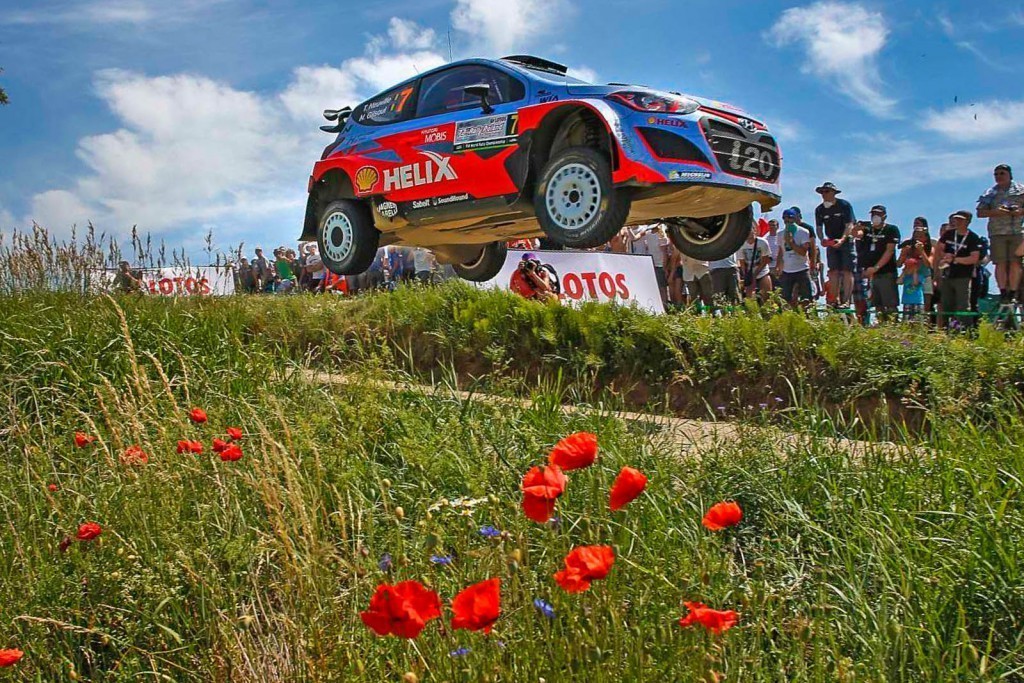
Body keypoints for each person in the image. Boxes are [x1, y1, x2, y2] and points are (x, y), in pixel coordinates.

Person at [976, 164, 1024, 303]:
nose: (999, 176)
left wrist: (1020, 211)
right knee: (1000, 262)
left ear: (1009, 174)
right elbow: (980, 212)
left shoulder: (1021, 190)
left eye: (1002, 173)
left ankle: (1013, 292)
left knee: (1015, 262)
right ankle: (1003, 292)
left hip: (1017, 231)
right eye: (996, 174)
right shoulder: (990, 193)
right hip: (997, 232)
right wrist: (996, 212)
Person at [814, 182, 857, 307]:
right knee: (833, 271)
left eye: (827, 191)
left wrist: (842, 239)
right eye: (822, 192)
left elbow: (849, 225)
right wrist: (822, 239)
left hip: (846, 241)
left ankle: (846, 301)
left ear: (833, 193)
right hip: (831, 241)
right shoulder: (819, 209)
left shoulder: (844, 205)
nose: (824, 194)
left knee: (847, 271)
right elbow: (819, 227)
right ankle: (834, 300)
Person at [937, 210, 983, 330]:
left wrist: (955, 259)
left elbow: (974, 258)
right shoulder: (948, 234)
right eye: (956, 219)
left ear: (968, 222)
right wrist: (945, 256)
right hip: (947, 274)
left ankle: (965, 330)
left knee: (963, 304)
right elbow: (939, 248)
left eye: (960, 220)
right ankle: (946, 329)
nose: (956, 222)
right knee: (946, 303)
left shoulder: (973, 238)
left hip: (963, 276)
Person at [859, 205, 901, 321]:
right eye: (873, 214)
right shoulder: (867, 229)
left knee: (890, 304)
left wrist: (876, 267)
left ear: (884, 216)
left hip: (886, 272)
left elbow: (890, 250)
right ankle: (881, 325)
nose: (875, 216)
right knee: (877, 304)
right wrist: (857, 227)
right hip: (871, 273)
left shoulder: (891, 229)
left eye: (878, 214)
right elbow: (855, 234)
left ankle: (893, 325)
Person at [897, 219, 935, 315]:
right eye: (916, 236)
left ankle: (924, 322)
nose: (918, 239)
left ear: (925, 238)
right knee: (909, 302)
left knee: (925, 304)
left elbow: (929, 265)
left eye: (920, 236)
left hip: (925, 278)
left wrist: (922, 251)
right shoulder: (908, 247)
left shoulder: (930, 248)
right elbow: (898, 264)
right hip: (910, 278)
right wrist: (903, 254)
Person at [778, 208, 813, 307]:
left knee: (806, 298)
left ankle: (806, 314)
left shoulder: (803, 232)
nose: (787, 220)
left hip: (802, 269)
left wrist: (791, 242)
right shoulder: (780, 234)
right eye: (785, 218)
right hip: (787, 270)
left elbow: (803, 252)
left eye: (789, 218)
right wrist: (779, 265)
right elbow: (781, 251)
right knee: (785, 298)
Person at [738, 225, 772, 302]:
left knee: (767, 294)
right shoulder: (741, 244)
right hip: (749, 272)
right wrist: (746, 276)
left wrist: (755, 274)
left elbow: (765, 260)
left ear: (755, 231)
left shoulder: (762, 242)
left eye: (750, 230)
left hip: (762, 271)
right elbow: (742, 262)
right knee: (749, 297)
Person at [638, 225, 670, 305]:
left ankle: (665, 305)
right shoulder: (648, 233)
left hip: (660, 265)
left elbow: (665, 254)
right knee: (655, 287)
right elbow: (635, 238)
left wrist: (665, 268)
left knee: (662, 288)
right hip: (651, 264)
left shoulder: (662, 236)